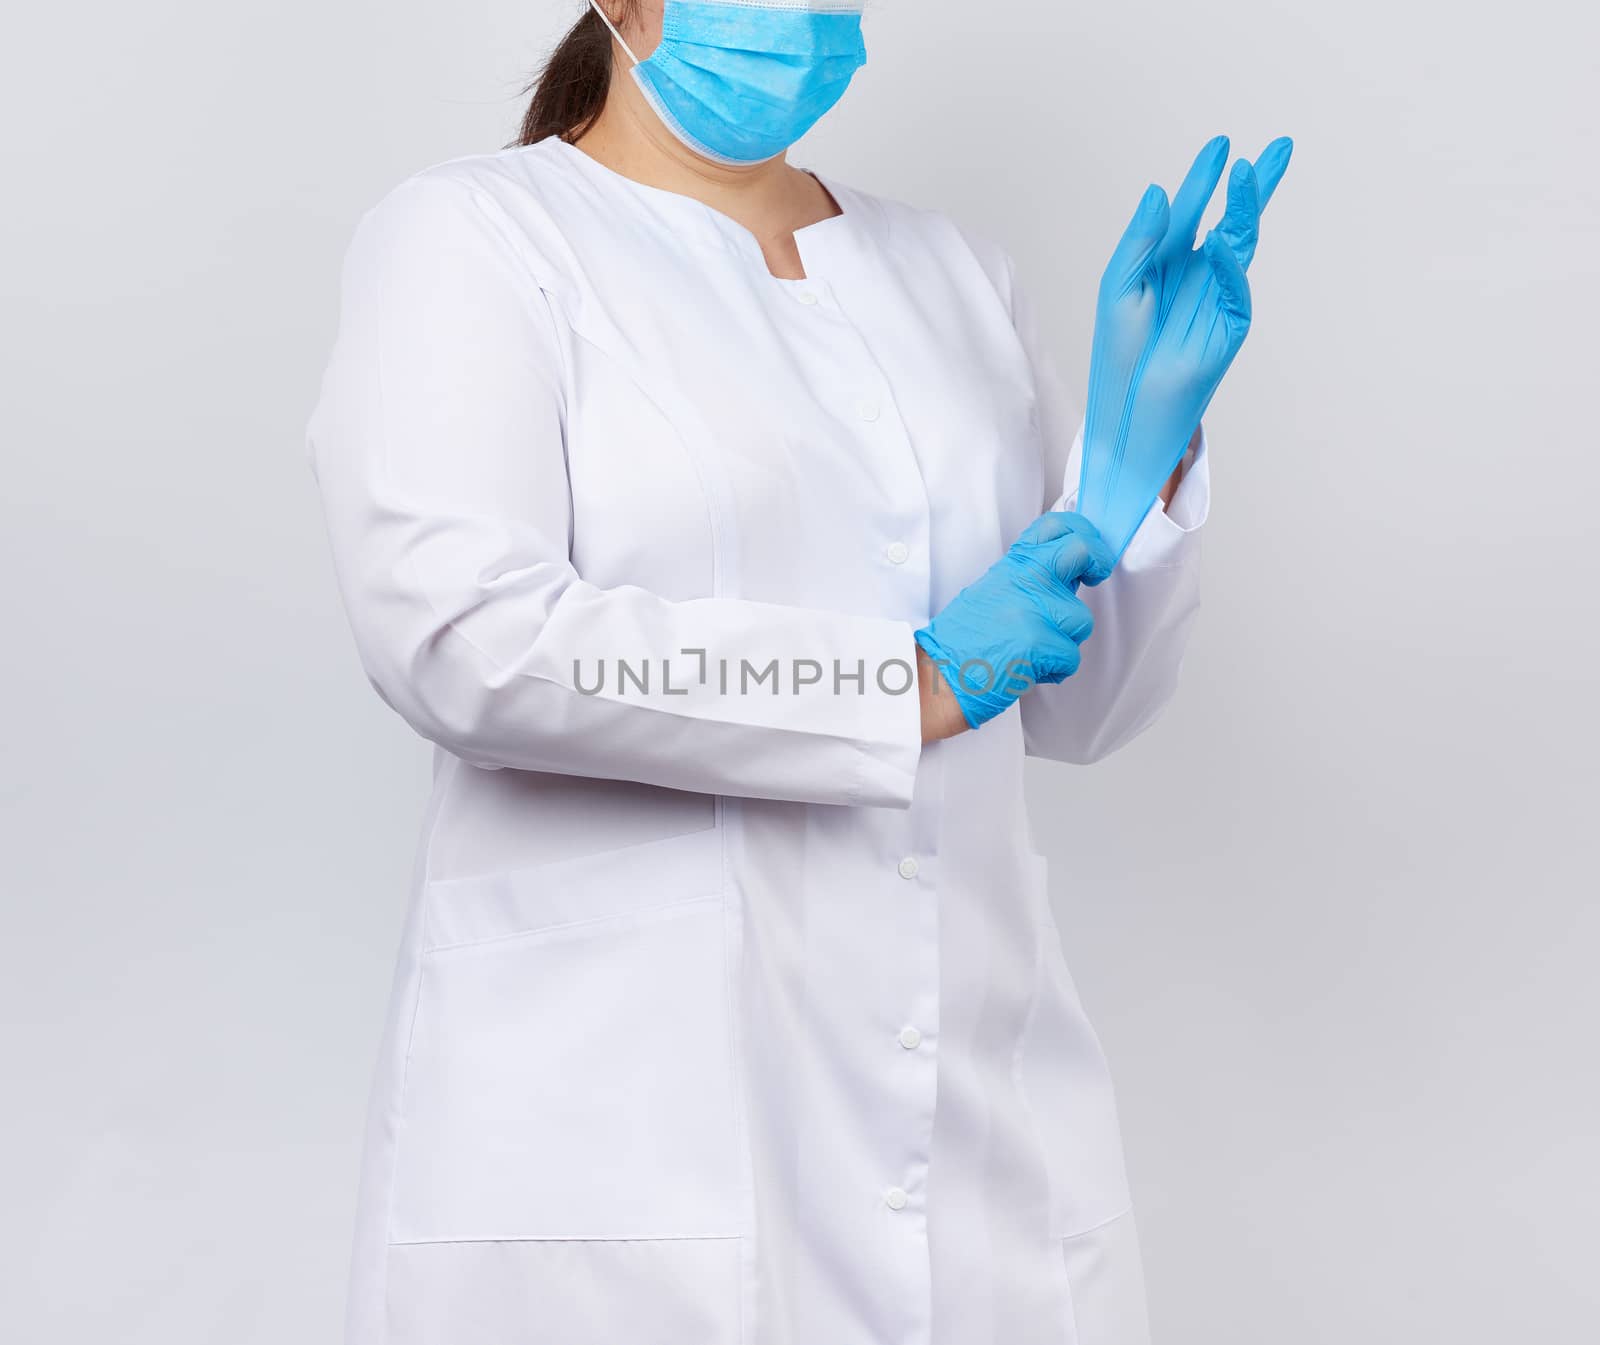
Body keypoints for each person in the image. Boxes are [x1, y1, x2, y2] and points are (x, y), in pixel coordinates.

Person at [306, 3, 1291, 1342]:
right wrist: (911, 680)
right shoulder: (476, 236)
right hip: (632, 1124)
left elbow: (1079, 704)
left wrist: (1136, 475)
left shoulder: (949, 273)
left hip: (975, 1127)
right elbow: (457, 635)